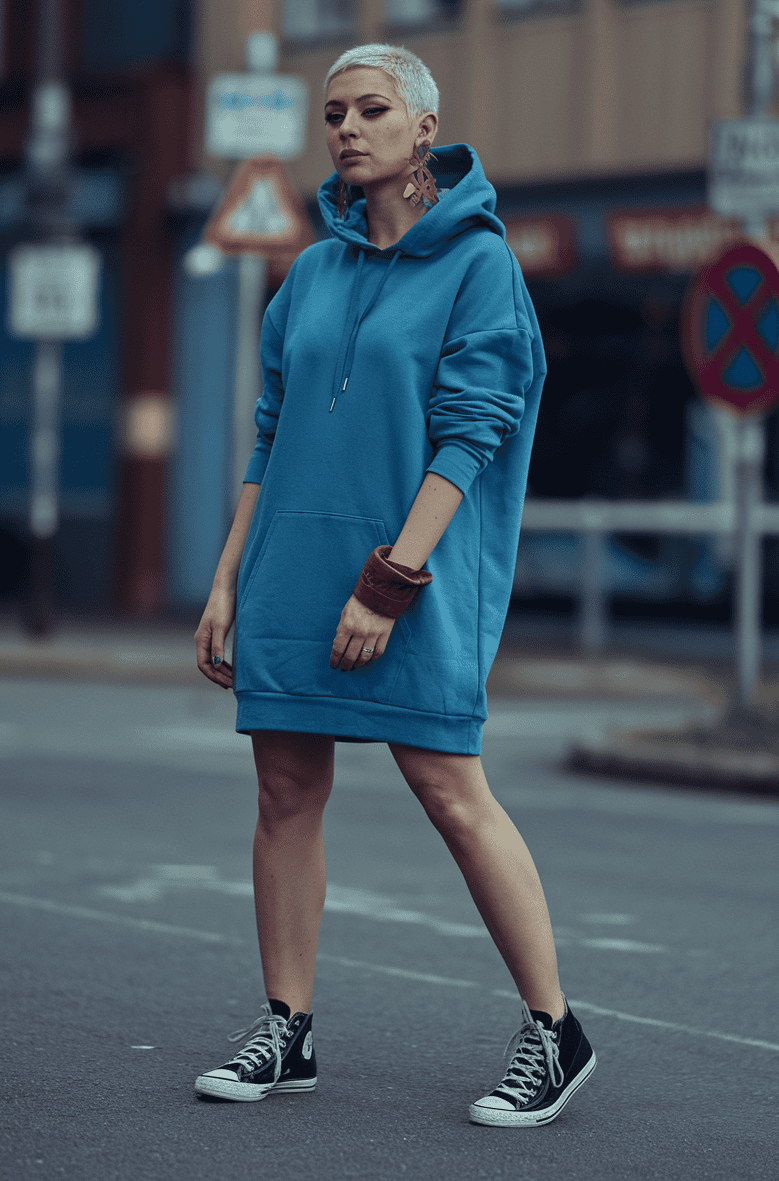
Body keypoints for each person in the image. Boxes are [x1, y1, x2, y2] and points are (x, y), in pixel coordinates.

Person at [192, 43, 596, 1127]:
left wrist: (390, 580)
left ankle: (554, 1030)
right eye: (332, 114)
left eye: (371, 109)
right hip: (286, 571)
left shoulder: (479, 266)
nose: (346, 128)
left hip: (407, 577)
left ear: (424, 129)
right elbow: (267, 436)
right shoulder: (310, 272)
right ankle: (288, 1023)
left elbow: (470, 437)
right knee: (283, 791)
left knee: (448, 788)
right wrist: (227, 578)